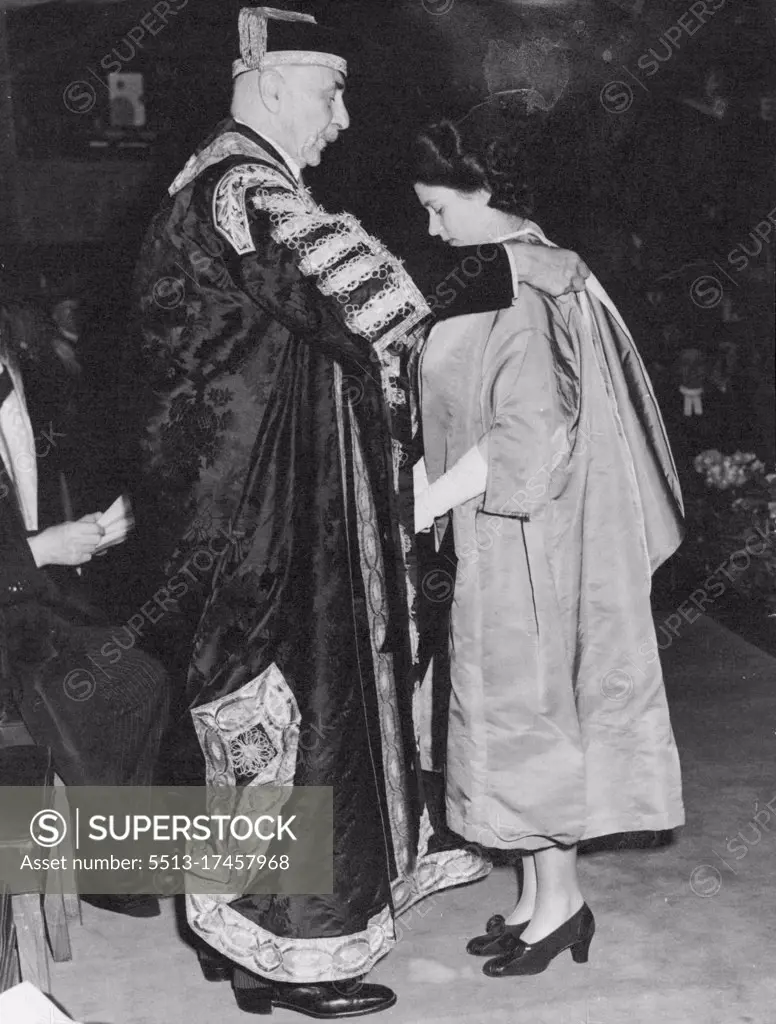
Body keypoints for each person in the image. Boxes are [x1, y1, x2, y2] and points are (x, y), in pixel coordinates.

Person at [133, 8, 589, 1017]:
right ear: (268, 80)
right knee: (302, 718)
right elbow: (381, 313)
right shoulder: (249, 187)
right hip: (274, 517)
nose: (341, 118)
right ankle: (298, 950)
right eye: (329, 89)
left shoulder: (198, 185)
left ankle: (239, 939)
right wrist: (512, 335)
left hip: (225, 505)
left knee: (237, 718)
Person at [411, 106, 685, 978]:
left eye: (439, 209)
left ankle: (561, 905)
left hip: (529, 535)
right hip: (516, 528)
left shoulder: (526, 287)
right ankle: (536, 895)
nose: (430, 226)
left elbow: (523, 437)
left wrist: (419, 503)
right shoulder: (514, 264)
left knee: (535, 715)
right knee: (517, 715)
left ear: (483, 193)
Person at [0, 301, 170, 917]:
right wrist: (40, 551)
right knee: (105, 691)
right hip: (11, 634)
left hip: (22, 616)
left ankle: (113, 863)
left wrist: (88, 535)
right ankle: (114, 868)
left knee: (142, 678)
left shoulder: (14, 377)